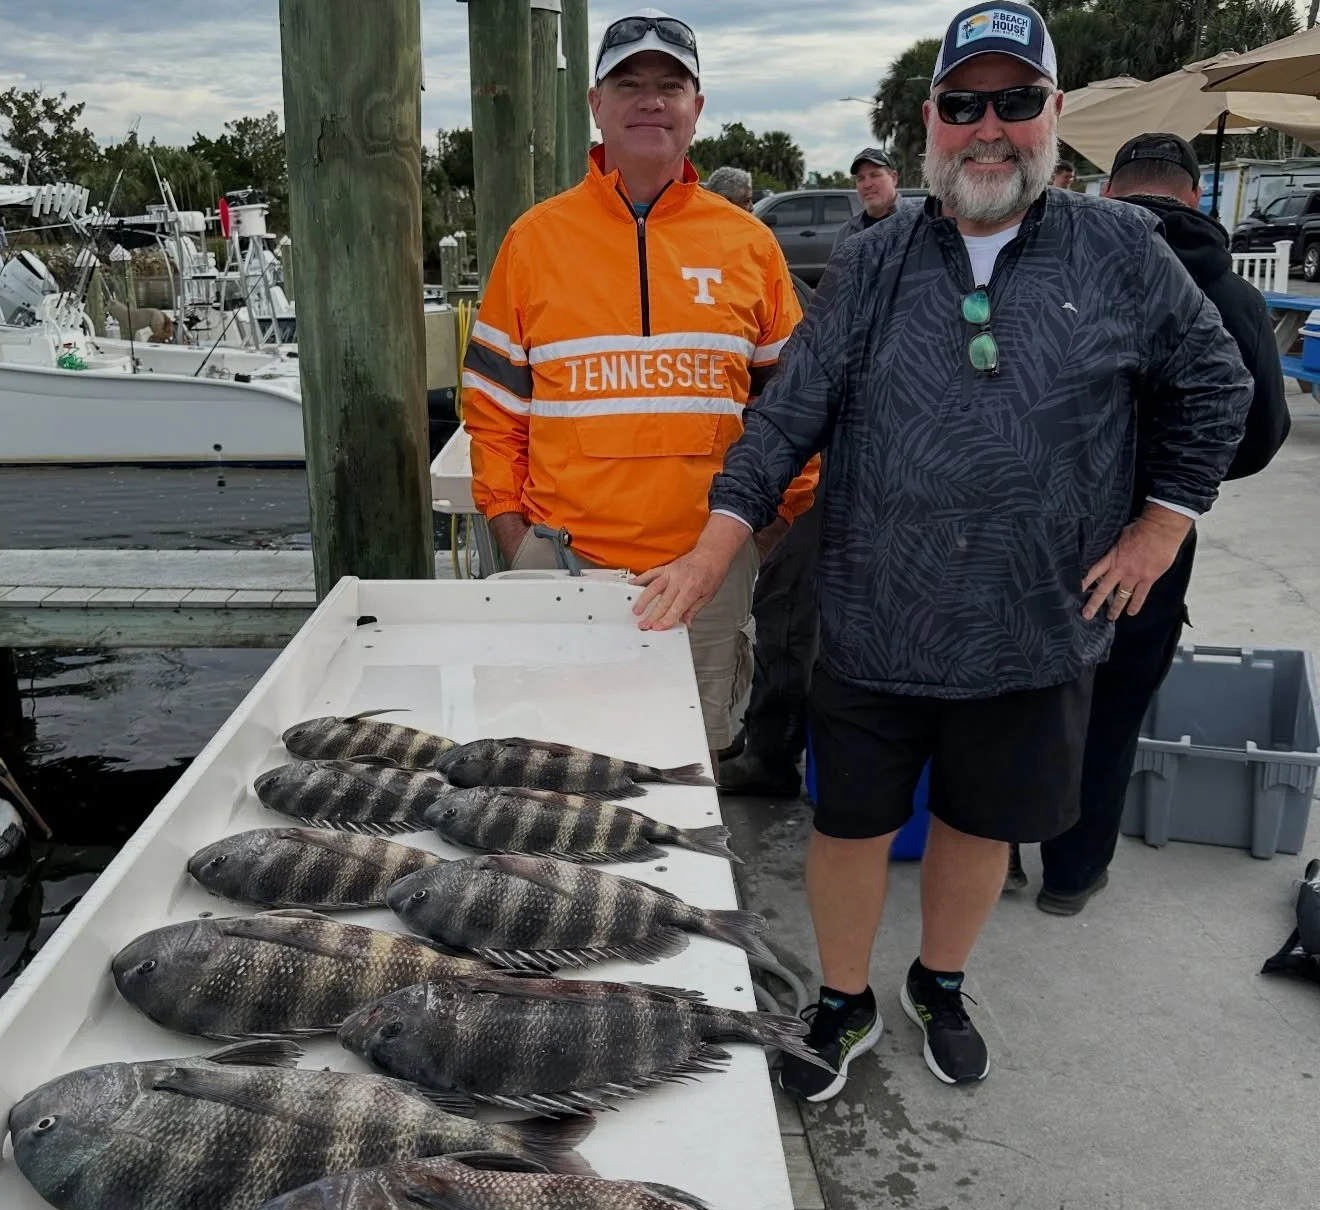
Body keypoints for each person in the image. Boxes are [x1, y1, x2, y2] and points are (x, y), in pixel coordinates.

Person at [629, 2, 1252, 1100]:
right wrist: (717, 541)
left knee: (977, 825)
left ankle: (942, 981)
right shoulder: (870, 264)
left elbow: (1217, 386)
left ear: (1053, 114)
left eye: (1015, 102)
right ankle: (841, 997)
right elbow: (785, 420)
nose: (989, 128)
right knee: (850, 825)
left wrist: (1161, 525)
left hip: (1034, 625)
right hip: (874, 620)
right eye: (965, 105)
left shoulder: (1124, 251)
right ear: (932, 120)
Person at [462, 9, 817, 762]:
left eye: (670, 85)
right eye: (629, 83)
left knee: (688, 776)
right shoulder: (534, 240)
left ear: (697, 108)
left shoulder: (749, 243)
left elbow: (793, 408)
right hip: (561, 564)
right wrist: (509, 529)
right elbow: (493, 409)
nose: (650, 100)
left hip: (706, 576)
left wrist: (770, 525)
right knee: (554, 769)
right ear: (596, 104)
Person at [1018, 132, 1289, 915]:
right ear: (1196, 197)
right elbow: (1261, 434)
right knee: (1114, 707)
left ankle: (991, 846)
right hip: (1157, 539)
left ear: (1110, 193)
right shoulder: (1235, 298)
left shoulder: (1059, 271)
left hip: (1037, 526)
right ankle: (1071, 875)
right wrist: (1174, 492)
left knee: (1014, 697)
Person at [718, 147, 918, 798]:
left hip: (825, 480)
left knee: (789, 614)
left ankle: (775, 756)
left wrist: (785, 504)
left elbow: (796, 401)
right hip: (812, 477)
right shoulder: (842, 262)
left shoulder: (770, 276)